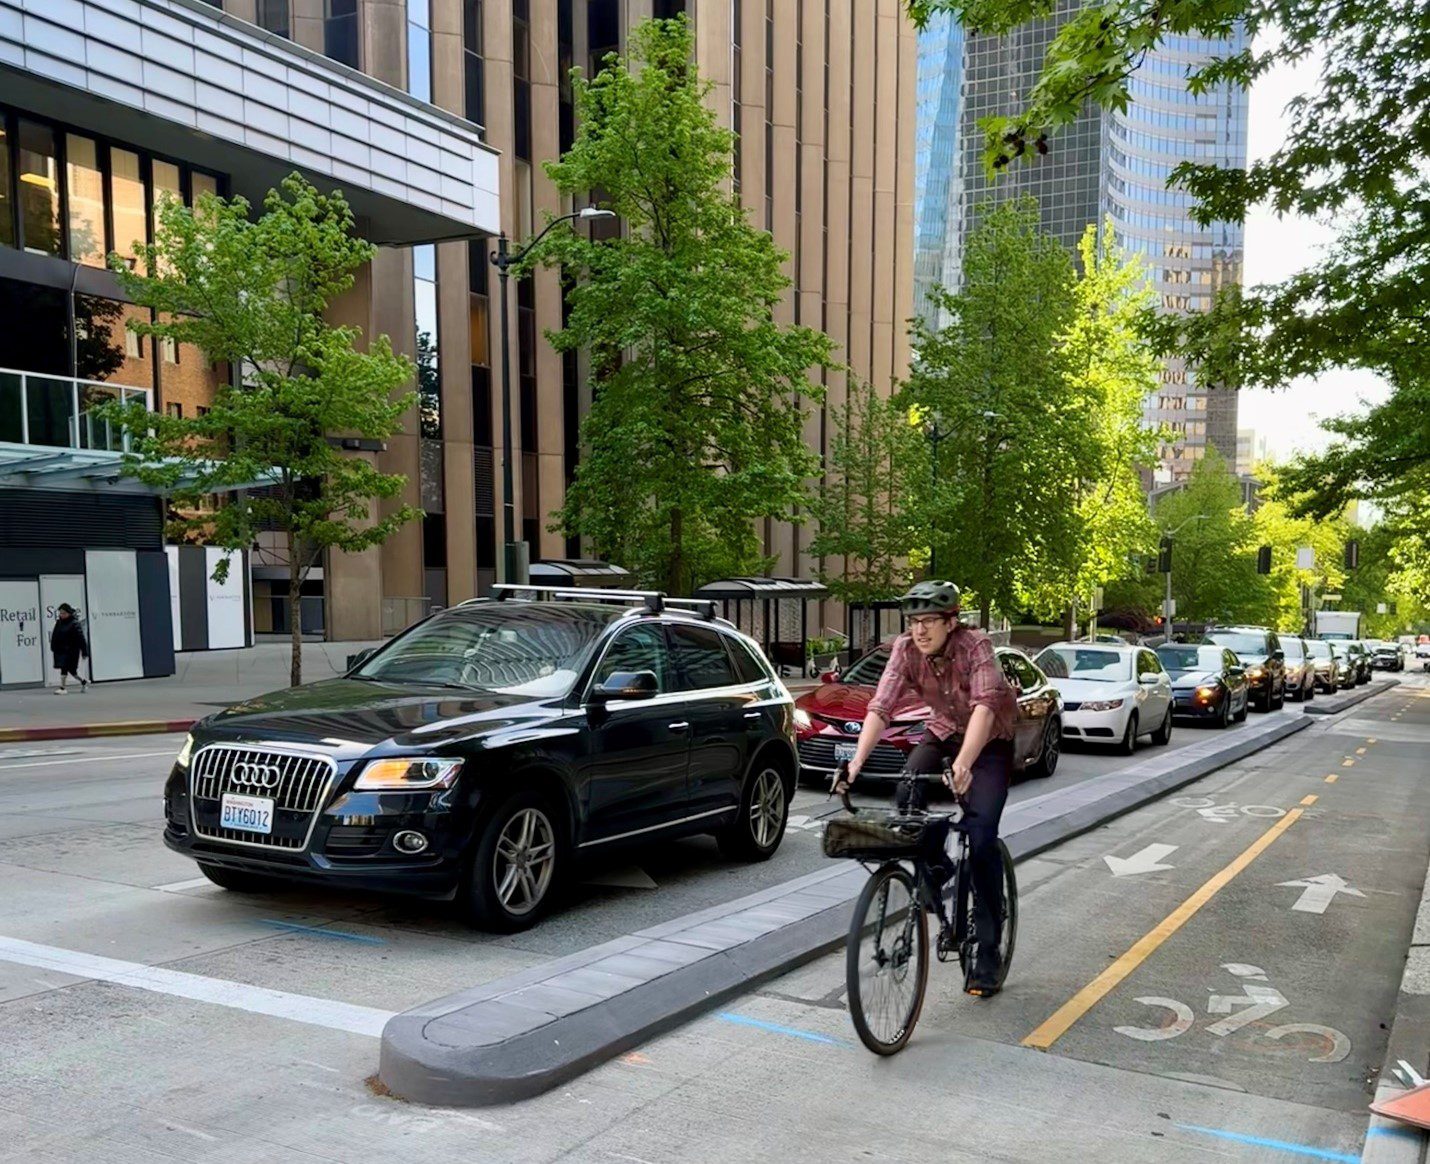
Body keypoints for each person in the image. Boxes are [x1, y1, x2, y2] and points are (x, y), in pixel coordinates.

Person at [836, 580, 1017, 997]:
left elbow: (986, 707)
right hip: (941, 732)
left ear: (951, 622)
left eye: (930, 621)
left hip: (989, 742)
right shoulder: (904, 649)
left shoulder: (977, 646)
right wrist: (856, 764)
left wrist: (965, 765)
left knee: (982, 834)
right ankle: (937, 872)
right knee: (906, 795)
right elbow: (880, 706)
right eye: (914, 621)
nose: (920, 630)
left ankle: (988, 944)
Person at [50, 603, 89, 694]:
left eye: (63, 613)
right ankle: (83, 681)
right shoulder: (59, 623)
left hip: (72, 650)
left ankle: (63, 688)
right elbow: (55, 635)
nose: (61, 615)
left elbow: (81, 638)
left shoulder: (74, 624)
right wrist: (53, 646)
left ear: (69, 613)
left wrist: (84, 652)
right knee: (70, 670)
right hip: (61, 650)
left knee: (66, 668)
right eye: (60, 613)